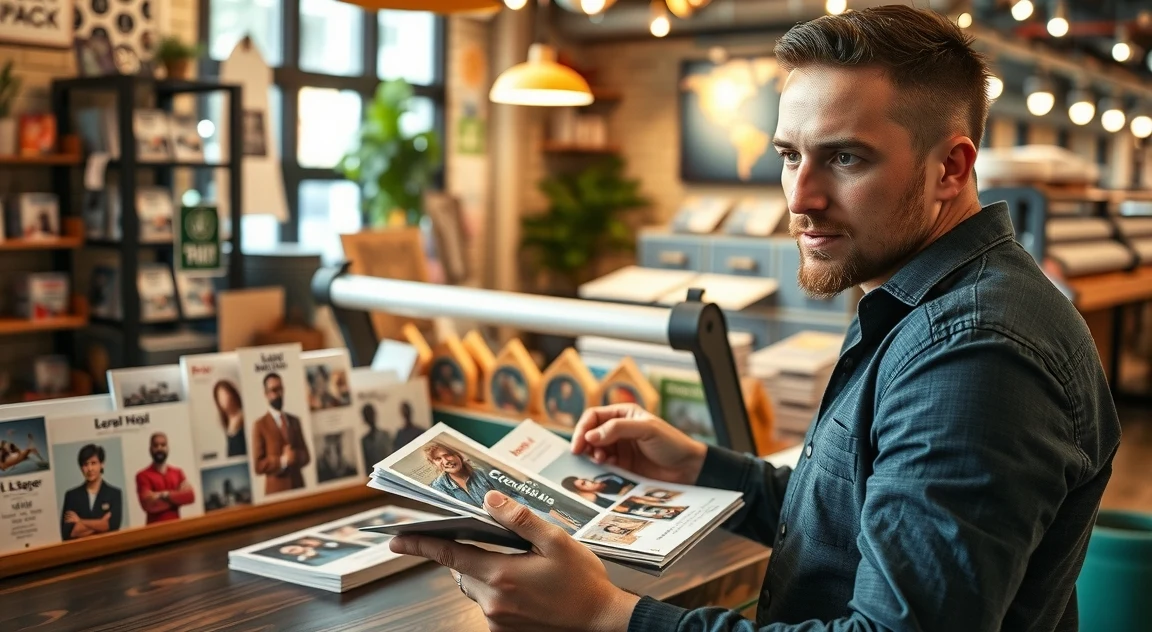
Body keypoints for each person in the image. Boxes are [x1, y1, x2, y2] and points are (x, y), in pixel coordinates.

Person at [388, 7, 1122, 631]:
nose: (799, 197)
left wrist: (608, 615)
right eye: (788, 155)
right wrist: (705, 468)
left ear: (951, 170)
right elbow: (858, 512)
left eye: (844, 158)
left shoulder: (975, 355)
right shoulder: (927, 298)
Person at [423, 442, 582, 533]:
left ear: (458, 455)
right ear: (434, 464)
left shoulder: (482, 471)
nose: (446, 460)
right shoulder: (438, 487)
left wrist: (553, 516)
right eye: (438, 459)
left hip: (514, 516)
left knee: (556, 528)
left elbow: (518, 496)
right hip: (484, 533)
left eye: (448, 455)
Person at [252, 373, 311, 495]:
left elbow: (306, 456)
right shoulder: (260, 425)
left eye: (281, 389)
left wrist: (295, 456)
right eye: (274, 390)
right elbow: (258, 466)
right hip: (276, 492)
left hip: (298, 487)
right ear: (266, 394)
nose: (278, 394)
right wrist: (282, 461)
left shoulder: (294, 421)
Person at [60, 444, 122, 541]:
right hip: (80, 552)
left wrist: (80, 522)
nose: (89, 469)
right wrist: (100, 523)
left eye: (93, 463)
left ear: (102, 464)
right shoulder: (71, 496)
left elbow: (112, 527)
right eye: (85, 464)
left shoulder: (114, 494)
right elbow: (68, 533)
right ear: (81, 468)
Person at [135, 432, 196, 524]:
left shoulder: (178, 472)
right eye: (156, 445)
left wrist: (164, 495)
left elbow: (190, 496)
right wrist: (177, 497)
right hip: (154, 531)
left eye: (163, 445)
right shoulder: (142, 475)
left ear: (167, 448)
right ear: (150, 449)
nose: (159, 448)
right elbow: (148, 505)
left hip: (177, 528)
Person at [212, 379, 246, 457]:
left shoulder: (243, 415)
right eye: (220, 397)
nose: (225, 399)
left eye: (226, 395)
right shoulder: (225, 420)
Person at [560, 473, 636, 507]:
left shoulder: (601, 478)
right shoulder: (597, 497)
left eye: (584, 480)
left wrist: (627, 487)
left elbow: (630, 481)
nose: (588, 482)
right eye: (583, 484)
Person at [360, 403, 393, 470]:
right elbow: (367, 465)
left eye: (371, 414)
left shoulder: (385, 435)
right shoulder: (364, 441)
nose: (370, 417)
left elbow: (391, 457)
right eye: (367, 415)